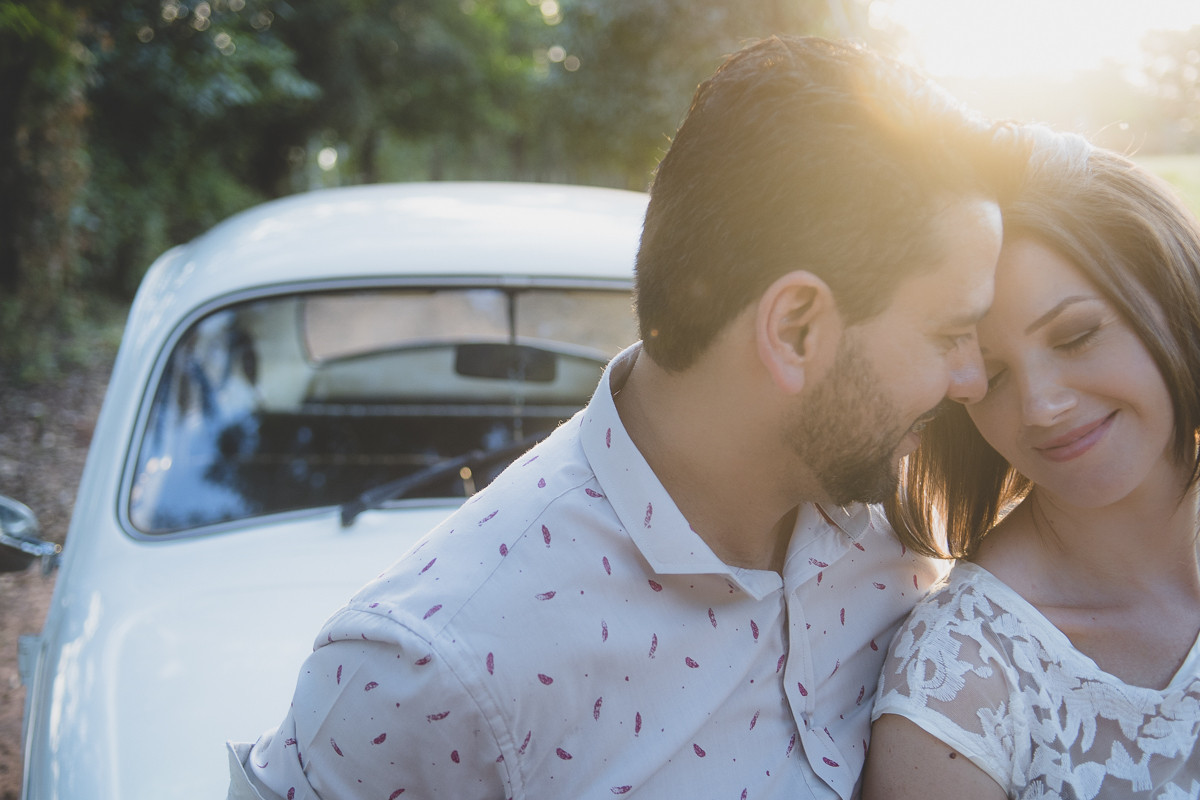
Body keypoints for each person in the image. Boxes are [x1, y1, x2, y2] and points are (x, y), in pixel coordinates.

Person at [228, 35, 1008, 800]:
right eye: (947, 334)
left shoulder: (903, 528)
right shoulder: (424, 675)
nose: (972, 378)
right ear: (796, 329)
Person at [864, 128, 1200, 799]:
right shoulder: (963, 677)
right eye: (992, 374)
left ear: (1173, 294)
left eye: (1076, 336)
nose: (1043, 406)